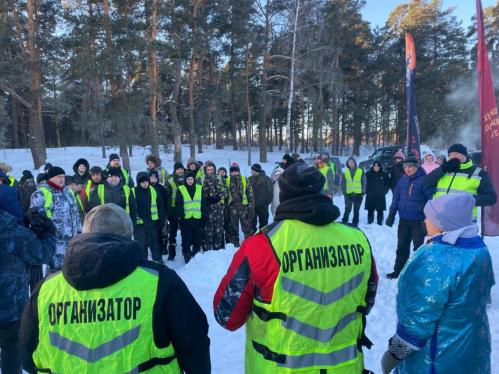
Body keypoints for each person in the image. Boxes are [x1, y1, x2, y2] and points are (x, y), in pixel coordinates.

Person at [214, 161, 378, 373]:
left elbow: (227, 316)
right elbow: (368, 300)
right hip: (345, 367)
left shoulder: (262, 245)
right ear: (322, 193)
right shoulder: (358, 239)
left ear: (282, 196)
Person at [20, 203, 211, 373]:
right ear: (128, 234)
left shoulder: (46, 289)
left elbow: (27, 354)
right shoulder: (159, 281)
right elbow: (194, 342)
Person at [381, 194, 494, 374]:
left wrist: (395, 353)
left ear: (444, 224)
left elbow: (420, 317)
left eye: (430, 217)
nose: (425, 220)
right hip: (471, 350)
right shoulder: (478, 249)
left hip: (437, 358)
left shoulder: (437, 259)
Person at [0, 187, 56, 374]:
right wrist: (48, 232)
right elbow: (43, 253)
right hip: (9, 308)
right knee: (11, 347)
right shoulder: (13, 232)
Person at [424, 143, 497, 222]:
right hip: (439, 218)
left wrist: (467, 200)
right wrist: (443, 168)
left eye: (456, 154)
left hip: (463, 221)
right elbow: (426, 182)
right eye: (450, 155)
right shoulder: (445, 170)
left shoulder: (478, 172)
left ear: (465, 155)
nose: (452, 157)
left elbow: (491, 198)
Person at [385, 157, 430, 279]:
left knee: (419, 248)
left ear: (416, 166)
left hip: (418, 221)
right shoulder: (402, 180)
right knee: (402, 247)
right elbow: (396, 199)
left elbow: (430, 201)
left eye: (410, 166)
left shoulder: (424, 180)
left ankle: (419, 274)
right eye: (405, 167)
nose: (407, 169)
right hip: (404, 221)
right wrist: (391, 215)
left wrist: (426, 220)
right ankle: (398, 270)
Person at [30, 166, 82, 270]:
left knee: (73, 272)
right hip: (55, 245)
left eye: (63, 176)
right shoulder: (41, 194)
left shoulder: (69, 191)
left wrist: (80, 233)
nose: (62, 179)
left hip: (73, 243)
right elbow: (33, 217)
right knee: (55, 275)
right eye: (59, 177)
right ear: (50, 178)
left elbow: (76, 214)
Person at [134, 172, 165, 263]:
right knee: (141, 245)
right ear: (138, 182)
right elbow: (131, 208)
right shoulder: (133, 192)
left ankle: (158, 261)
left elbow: (160, 206)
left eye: (146, 181)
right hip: (139, 225)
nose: (145, 183)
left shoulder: (154, 190)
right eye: (142, 182)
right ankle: (143, 264)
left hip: (153, 223)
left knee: (155, 243)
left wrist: (161, 219)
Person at [176, 172, 205, 263]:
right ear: (185, 180)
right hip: (186, 219)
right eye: (188, 179)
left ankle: (196, 252)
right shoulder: (181, 189)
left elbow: (203, 203)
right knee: (186, 238)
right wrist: (181, 214)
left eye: (192, 179)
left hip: (197, 218)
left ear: (194, 179)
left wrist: (204, 215)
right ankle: (186, 253)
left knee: (197, 237)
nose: (190, 181)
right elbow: (178, 203)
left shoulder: (200, 188)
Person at [226, 162, 254, 246]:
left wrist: (251, 206)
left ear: (239, 171)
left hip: (243, 207)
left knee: (247, 227)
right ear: (230, 172)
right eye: (232, 171)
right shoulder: (227, 180)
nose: (234, 172)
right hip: (232, 208)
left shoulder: (244, 179)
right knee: (233, 227)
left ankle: (249, 244)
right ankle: (235, 245)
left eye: (236, 171)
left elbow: (250, 193)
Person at [202, 161, 226, 250]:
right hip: (208, 209)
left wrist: (219, 197)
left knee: (218, 229)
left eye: (212, 169)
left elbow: (226, 192)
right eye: (208, 170)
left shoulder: (220, 178)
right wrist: (207, 199)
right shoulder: (202, 179)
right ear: (205, 170)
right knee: (208, 230)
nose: (210, 171)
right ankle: (208, 249)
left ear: (214, 169)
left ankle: (218, 248)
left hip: (219, 208)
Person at [166, 162, 185, 260]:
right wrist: (168, 211)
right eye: (177, 169)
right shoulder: (170, 179)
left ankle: (185, 251)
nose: (180, 171)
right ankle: (171, 253)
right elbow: (167, 196)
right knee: (172, 233)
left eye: (181, 168)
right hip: (173, 210)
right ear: (175, 170)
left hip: (186, 209)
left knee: (185, 232)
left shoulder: (188, 177)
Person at [149, 170, 170, 255]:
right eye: (151, 178)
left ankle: (164, 246)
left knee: (163, 231)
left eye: (155, 178)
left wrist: (167, 212)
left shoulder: (161, 188)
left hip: (162, 214)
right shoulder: (147, 187)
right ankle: (156, 247)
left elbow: (166, 200)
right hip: (151, 214)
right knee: (154, 232)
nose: (153, 179)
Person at [341, 157, 366, 227]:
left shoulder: (360, 171)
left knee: (356, 209)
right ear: (347, 164)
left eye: (352, 162)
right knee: (347, 208)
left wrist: (363, 192)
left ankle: (355, 223)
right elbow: (343, 183)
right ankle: (344, 221)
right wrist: (344, 193)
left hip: (358, 194)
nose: (351, 163)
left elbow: (364, 182)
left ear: (355, 163)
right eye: (349, 162)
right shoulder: (345, 172)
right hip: (348, 194)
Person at [248, 163, 273, 232]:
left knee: (264, 224)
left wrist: (267, 202)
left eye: (252, 170)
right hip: (252, 205)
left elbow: (270, 191)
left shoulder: (267, 179)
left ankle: (263, 238)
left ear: (256, 171)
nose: (251, 172)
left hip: (263, 206)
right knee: (252, 224)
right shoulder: (249, 179)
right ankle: (252, 239)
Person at [365, 161, 389, 225]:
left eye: (377, 166)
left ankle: (380, 222)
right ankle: (370, 221)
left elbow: (387, 184)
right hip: (371, 195)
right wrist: (366, 191)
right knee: (370, 209)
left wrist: (384, 191)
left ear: (379, 167)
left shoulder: (384, 174)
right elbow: (364, 183)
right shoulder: (368, 174)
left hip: (380, 195)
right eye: (374, 166)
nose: (376, 167)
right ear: (373, 166)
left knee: (380, 209)